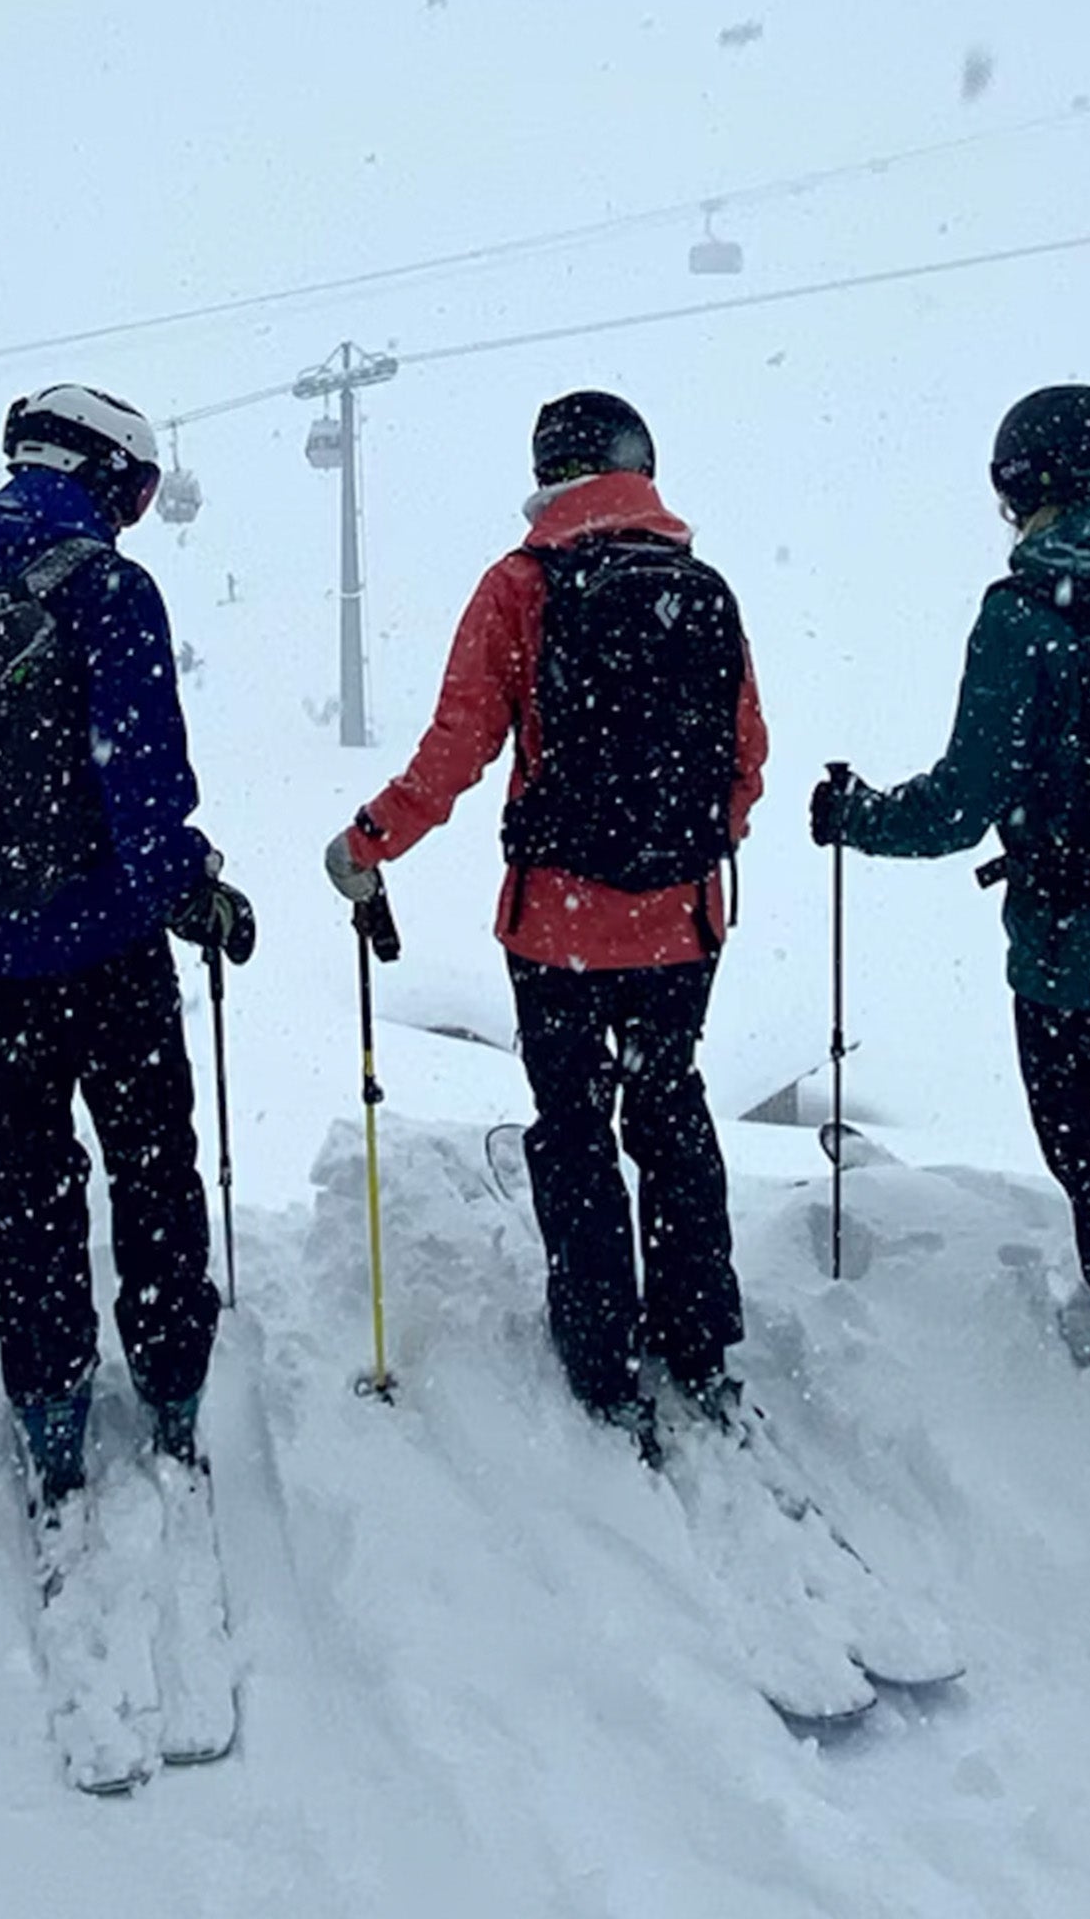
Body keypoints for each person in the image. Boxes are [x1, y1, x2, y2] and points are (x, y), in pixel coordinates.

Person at [811, 384, 1090, 1462]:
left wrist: (857, 817)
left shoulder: (1026, 612)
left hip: (1079, 957)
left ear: (1026, 485)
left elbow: (961, 801)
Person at [324, 390, 768, 1452]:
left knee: (573, 1128)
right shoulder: (700, 587)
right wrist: (689, 853)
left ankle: (600, 1350)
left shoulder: (520, 585)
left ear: (544, 471)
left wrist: (367, 840)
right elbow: (744, 759)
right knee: (669, 1111)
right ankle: (699, 1337)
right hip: (680, 926)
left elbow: (457, 747)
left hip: (555, 927)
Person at [0, 384, 252, 1521]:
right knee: (149, 1157)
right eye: (134, 492)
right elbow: (143, 785)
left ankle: (48, 1397)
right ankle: (170, 1377)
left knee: (28, 1165)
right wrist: (191, 888)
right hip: (98, 938)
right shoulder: (109, 589)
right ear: (106, 477)